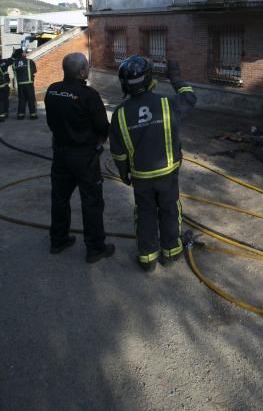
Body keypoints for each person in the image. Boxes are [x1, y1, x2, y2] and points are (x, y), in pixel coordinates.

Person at [110, 56, 196, 272]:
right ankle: (171, 253)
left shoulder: (119, 114)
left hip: (141, 177)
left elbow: (118, 152)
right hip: (168, 174)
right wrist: (176, 78)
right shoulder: (168, 104)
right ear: (149, 79)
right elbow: (190, 98)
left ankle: (147, 258)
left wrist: (123, 174)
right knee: (169, 210)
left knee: (145, 213)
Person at [44, 52, 115, 263]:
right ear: (82, 71)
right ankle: (94, 248)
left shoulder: (52, 90)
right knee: (91, 202)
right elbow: (102, 126)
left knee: (59, 198)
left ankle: (58, 240)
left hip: (61, 153)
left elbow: (50, 122)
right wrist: (99, 141)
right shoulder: (89, 95)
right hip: (84, 157)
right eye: (87, 67)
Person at [12, 48, 38, 119]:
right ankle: (33, 115)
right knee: (31, 99)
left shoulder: (14, 64)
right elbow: (34, 71)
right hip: (29, 84)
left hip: (20, 85)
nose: (25, 53)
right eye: (24, 52)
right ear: (21, 54)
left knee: (21, 100)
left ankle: (20, 115)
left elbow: (15, 73)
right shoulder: (30, 61)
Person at [0, 56, 13, 121]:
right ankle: (4, 114)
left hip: (3, 85)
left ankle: (3, 114)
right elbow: (11, 60)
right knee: (4, 100)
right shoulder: (3, 62)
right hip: (4, 85)